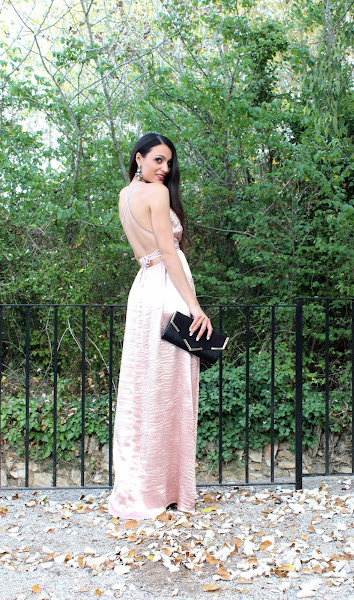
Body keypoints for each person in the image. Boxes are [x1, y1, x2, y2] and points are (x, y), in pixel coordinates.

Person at [108, 132, 212, 519]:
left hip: (143, 292)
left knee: (144, 390)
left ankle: (144, 486)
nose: (165, 168)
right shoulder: (157, 193)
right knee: (171, 393)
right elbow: (168, 251)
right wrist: (195, 307)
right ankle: (166, 490)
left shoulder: (125, 195)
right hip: (167, 292)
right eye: (158, 160)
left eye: (168, 162)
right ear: (138, 158)